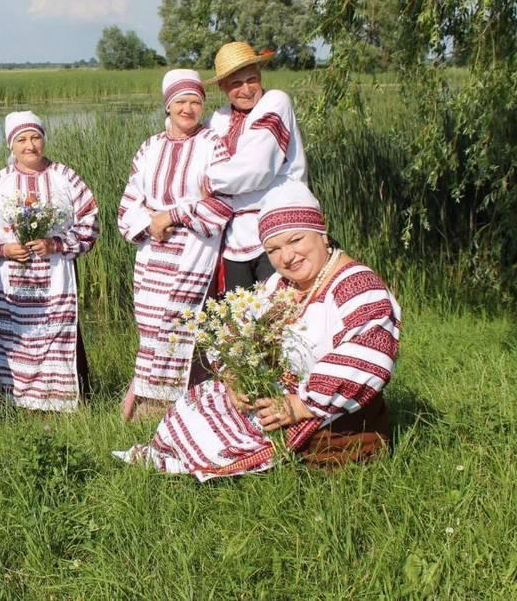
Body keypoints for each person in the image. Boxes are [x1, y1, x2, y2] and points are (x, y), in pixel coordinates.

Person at [114, 182, 401, 479]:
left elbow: (366, 356)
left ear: (322, 232)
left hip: (333, 417)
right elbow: (235, 331)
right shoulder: (279, 285)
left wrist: (301, 405)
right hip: (277, 399)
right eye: (273, 250)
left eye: (296, 240)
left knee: (221, 441)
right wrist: (234, 378)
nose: (287, 257)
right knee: (198, 404)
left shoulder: (357, 286)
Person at [117, 70, 234, 420]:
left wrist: (172, 214)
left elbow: (223, 202)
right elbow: (128, 204)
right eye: (181, 101)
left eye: (195, 102)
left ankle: (182, 404)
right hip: (153, 253)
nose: (188, 108)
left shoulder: (213, 144)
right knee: (151, 326)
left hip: (195, 252)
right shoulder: (150, 147)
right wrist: (150, 225)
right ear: (168, 106)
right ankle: (151, 402)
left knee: (183, 325)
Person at [0, 111, 99, 412]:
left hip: (55, 277)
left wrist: (56, 243)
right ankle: (11, 400)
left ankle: (58, 400)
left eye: (35, 137)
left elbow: (90, 222)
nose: (30, 146)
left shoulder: (66, 177)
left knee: (54, 335)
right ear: (11, 145)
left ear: (44, 139)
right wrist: (2, 248)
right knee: (12, 339)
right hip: (9, 280)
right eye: (22, 139)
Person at [204, 41, 309, 291]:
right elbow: (195, 155)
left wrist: (209, 181)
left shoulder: (275, 102)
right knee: (240, 319)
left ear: (261, 76)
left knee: (281, 313)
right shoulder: (218, 119)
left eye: (252, 79)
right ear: (222, 86)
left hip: (279, 226)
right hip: (235, 237)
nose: (247, 89)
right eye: (235, 84)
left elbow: (257, 170)